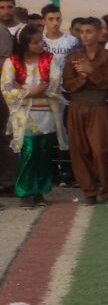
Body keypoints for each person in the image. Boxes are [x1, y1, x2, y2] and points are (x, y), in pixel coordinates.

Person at [2, 25, 64, 208]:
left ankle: (39, 191)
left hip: (47, 114)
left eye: (41, 40)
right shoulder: (12, 62)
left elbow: (55, 84)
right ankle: (25, 191)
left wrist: (25, 90)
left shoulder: (50, 59)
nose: (41, 44)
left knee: (44, 153)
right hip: (24, 117)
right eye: (35, 42)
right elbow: (6, 89)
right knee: (28, 152)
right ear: (24, 44)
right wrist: (31, 92)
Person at [63, 17, 108, 204]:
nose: (84, 36)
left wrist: (91, 71)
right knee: (79, 150)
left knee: (100, 150)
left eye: (89, 31)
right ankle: (89, 191)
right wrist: (83, 78)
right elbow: (68, 85)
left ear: (99, 33)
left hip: (99, 107)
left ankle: (107, 190)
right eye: (81, 32)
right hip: (77, 106)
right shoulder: (73, 57)